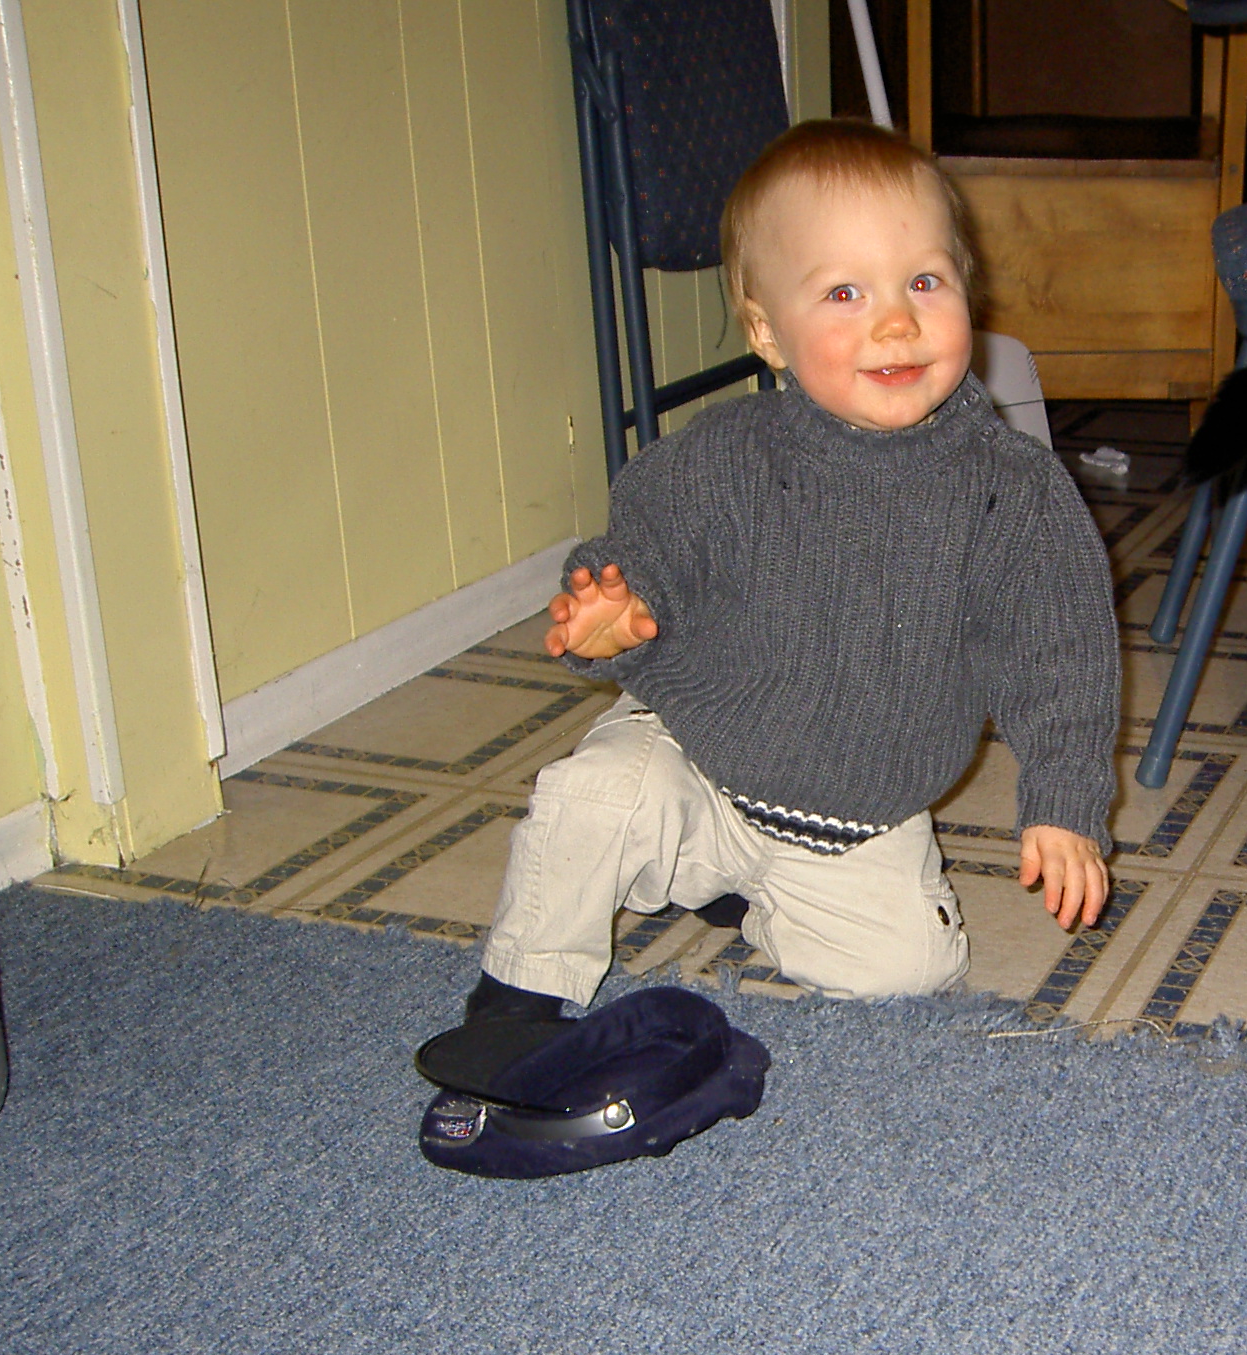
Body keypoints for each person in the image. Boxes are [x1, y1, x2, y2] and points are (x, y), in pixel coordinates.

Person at [466, 119, 1119, 1026]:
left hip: (857, 813)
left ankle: (744, 889)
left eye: (924, 281)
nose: (897, 320)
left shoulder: (1011, 492)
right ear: (768, 332)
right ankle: (517, 999)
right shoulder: (725, 457)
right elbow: (646, 545)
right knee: (593, 797)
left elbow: (1061, 654)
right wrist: (617, 608)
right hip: (696, 754)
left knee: (910, 970)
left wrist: (1064, 799)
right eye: (845, 292)